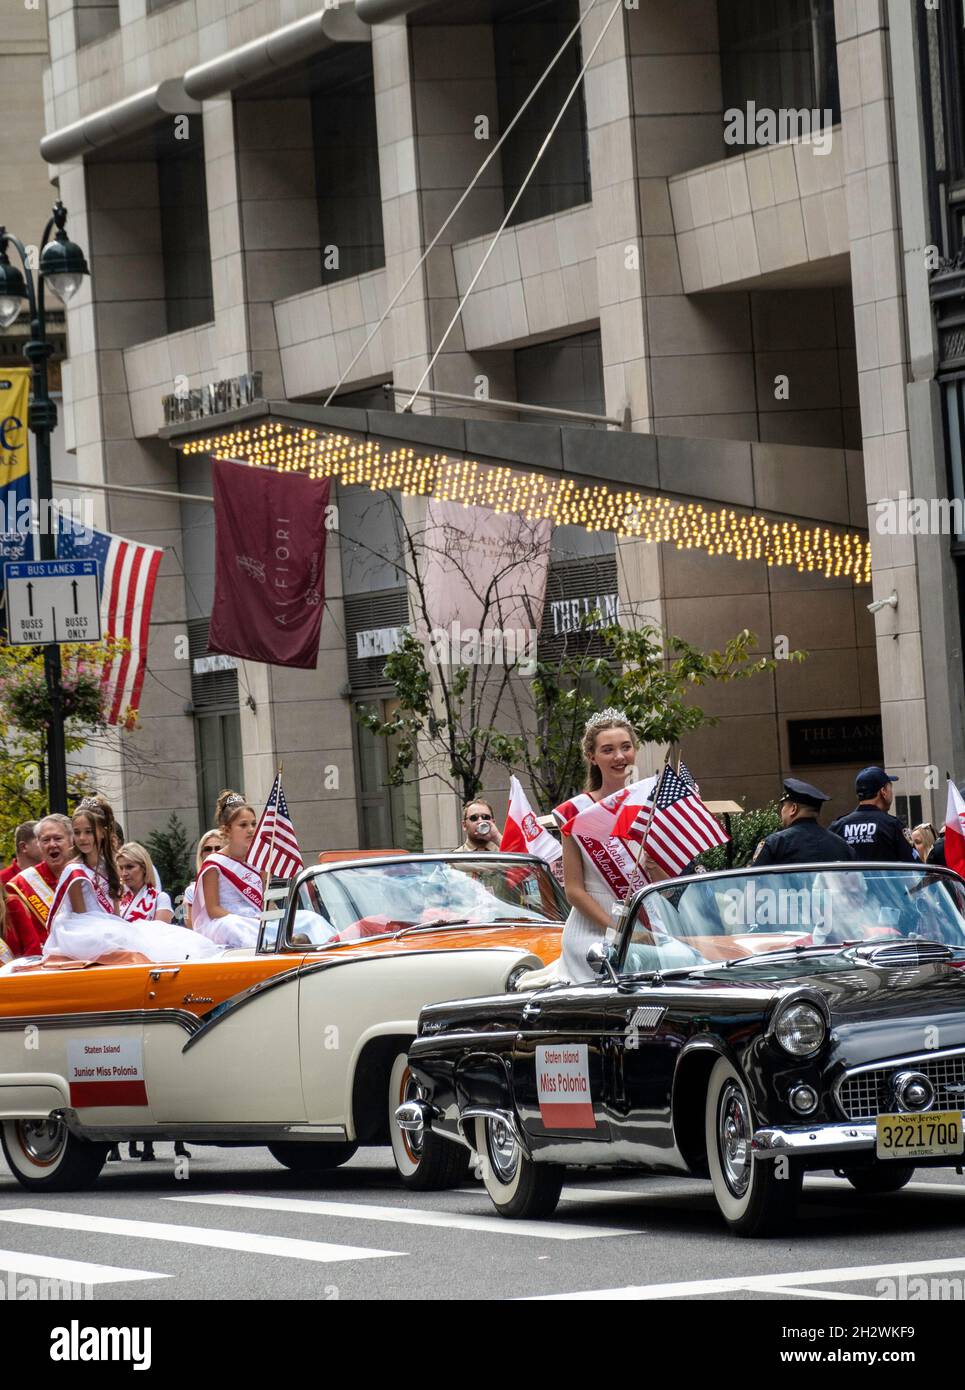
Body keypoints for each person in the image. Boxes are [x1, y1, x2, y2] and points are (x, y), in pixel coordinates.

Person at [192, 790, 263, 948]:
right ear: (226, 830)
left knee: (305, 919)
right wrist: (248, 920)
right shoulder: (214, 864)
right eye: (243, 825)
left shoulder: (259, 861)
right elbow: (213, 910)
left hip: (257, 920)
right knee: (234, 926)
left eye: (253, 823)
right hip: (227, 922)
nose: (251, 829)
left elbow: (266, 902)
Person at [4, 815, 74, 957]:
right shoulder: (19, 886)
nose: (52, 844)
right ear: (39, 845)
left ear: (72, 840)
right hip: (43, 967)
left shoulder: (87, 875)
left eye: (58, 838)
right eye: (45, 840)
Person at [752, 779, 857, 866]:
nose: (782, 811)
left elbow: (755, 882)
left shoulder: (776, 843)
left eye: (783, 805)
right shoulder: (843, 846)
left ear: (793, 808)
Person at [828, 767, 917, 862]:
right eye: (890, 787)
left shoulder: (838, 826)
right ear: (883, 792)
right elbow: (914, 864)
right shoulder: (893, 826)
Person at [118, 843, 173, 923]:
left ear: (144, 867)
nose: (124, 873)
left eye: (129, 867)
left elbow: (161, 933)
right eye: (121, 868)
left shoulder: (160, 899)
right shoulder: (115, 898)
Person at [182, 831, 221, 928]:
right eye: (208, 849)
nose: (213, 852)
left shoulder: (237, 885)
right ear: (201, 855)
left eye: (218, 848)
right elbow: (189, 923)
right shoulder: (191, 891)